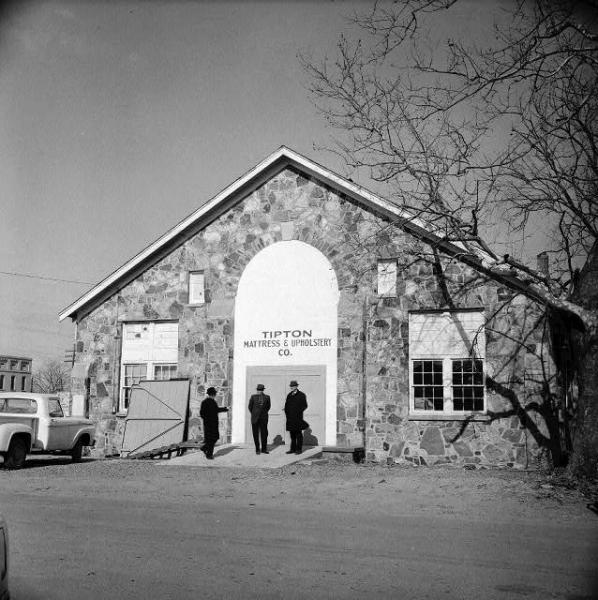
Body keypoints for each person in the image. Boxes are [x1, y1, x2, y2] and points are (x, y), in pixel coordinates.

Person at [199, 387, 229, 459]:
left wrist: (225, 409)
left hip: (209, 424)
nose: (215, 395)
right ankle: (209, 455)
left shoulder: (205, 402)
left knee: (212, 438)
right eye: (214, 394)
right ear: (213, 394)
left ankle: (205, 448)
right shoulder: (211, 402)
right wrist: (225, 409)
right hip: (211, 424)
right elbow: (215, 410)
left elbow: (202, 413)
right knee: (212, 439)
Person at [284, 380, 307, 455]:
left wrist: (298, 412)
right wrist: (287, 412)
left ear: (296, 386)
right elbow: (286, 405)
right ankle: (292, 449)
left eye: (293, 386)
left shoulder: (301, 395)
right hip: (290, 418)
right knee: (292, 435)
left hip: (298, 418)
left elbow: (304, 405)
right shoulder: (289, 395)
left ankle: (299, 450)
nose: (292, 387)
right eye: (291, 386)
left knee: (298, 434)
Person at [248, 383, 271, 454]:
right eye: (258, 390)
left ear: (263, 390)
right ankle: (257, 449)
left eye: (260, 390)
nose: (259, 391)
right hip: (255, 418)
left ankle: (264, 449)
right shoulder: (253, 397)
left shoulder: (267, 397)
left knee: (264, 434)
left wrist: (263, 413)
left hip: (263, 418)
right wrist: (255, 413)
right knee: (255, 434)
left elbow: (268, 407)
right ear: (257, 390)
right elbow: (250, 407)